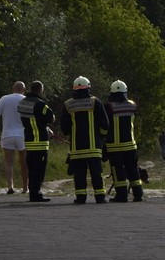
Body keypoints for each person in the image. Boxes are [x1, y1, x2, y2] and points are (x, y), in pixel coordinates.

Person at [61, 76, 110, 204]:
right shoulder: (95, 102)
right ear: (88, 88)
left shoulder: (68, 104)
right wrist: (101, 137)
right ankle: (100, 197)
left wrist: (70, 136)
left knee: (79, 174)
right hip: (94, 147)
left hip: (77, 149)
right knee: (96, 173)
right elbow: (105, 124)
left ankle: (81, 197)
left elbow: (64, 127)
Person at [104, 80, 143, 203]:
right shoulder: (132, 105)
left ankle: (121, 195)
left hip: (114, 146)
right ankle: (138, 194)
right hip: (130, 145)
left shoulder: (108, 106)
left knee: (118, 171)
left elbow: (105, 124)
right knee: (133, 169)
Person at [17, 80, 55, 202]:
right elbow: (51, 118)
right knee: (39, 170)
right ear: (40, 90)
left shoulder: (22, 103)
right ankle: (35, 194)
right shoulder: (41, 104)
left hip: (28, 140)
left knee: (31, 168)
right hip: (40, 141)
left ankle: (32, 192)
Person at [0, 81, 28, 194]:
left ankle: (10, 186)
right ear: (24, 90)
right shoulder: (26, 100)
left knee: (9, 162)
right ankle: (25, 188)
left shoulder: (4, 99)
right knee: (24, 162)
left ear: (12, 88)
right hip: (23, 135)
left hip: (7, 134)